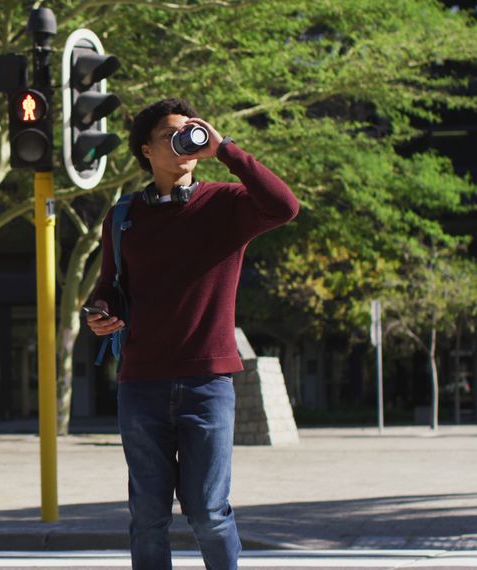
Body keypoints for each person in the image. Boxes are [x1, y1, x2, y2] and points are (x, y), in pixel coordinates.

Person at [86, 98, 298, 570]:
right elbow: (110, 288)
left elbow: (285, 206)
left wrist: (226, 149)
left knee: (208, 513)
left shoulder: (226, 204)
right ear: (146, 150)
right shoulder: (122, 217)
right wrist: (100, 312)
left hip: (208, 386)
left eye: (191, 131)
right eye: (170, 134)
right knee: (148, 516)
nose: (184, 140)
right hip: (141, 384)